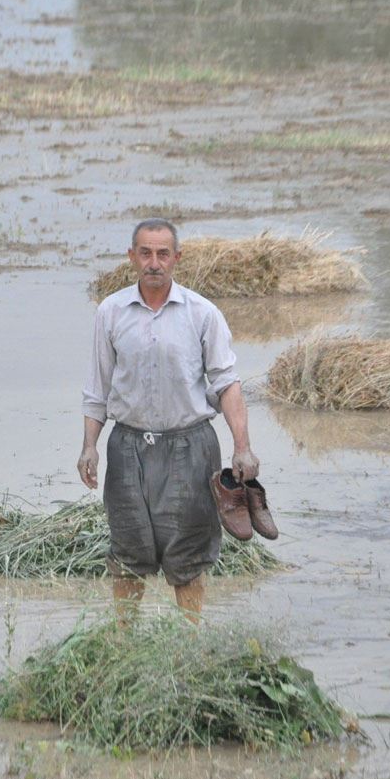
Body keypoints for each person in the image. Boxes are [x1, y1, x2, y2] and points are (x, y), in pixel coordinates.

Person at [78, 218, 273, 621]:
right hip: (128, 447)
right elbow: (97, 388)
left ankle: (188, 644)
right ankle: (124, 645)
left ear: (177, 258)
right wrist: (89, 447)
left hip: (190, 446)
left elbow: (227, 384)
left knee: (189, 553)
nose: (154, 262)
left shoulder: (202, 314)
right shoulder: (110, 312)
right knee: (128, 551)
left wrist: (242, 446)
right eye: (145, 253)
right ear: (132, 257)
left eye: (163, 254)